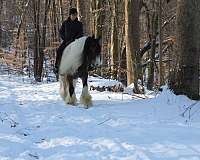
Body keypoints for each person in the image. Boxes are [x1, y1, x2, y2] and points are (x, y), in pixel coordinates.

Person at [54, 8, 83, 75]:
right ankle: (57, 67)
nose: (74, 16)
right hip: (66, 41)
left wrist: (76, 39)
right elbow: (61, 32)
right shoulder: (65, 23)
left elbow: (81, 33)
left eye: (75, 15)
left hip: (76, 42)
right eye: (73, 15)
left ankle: (81, 68)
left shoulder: (79, 24)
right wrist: (64, 38)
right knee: (59, 51)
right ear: (70, 15)